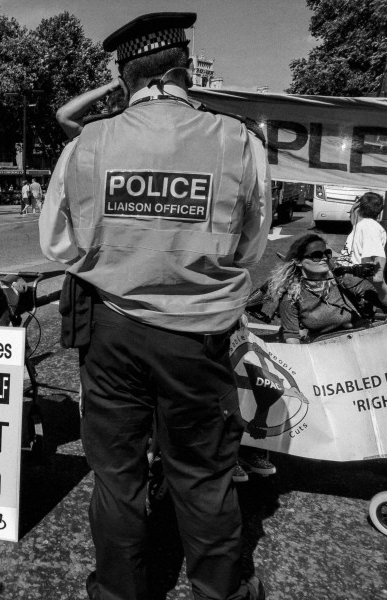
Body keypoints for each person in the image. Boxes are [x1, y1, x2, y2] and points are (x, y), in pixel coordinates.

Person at [39, 13, 270, 600]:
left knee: (116, 475)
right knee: (203, 472)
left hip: (112, 332)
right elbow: (252, 244)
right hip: (197, 336)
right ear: (182, 70)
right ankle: (220, 589)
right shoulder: (236, 139)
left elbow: (57, 243)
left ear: (126, 76)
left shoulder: (92, 141)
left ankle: (119, 590)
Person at [263, 233, 387, 343]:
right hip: (325, 351)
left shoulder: (344, 280)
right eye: (316, 255)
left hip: (363, 341)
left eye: (327, 254)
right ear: (299, 262)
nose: (324, 258)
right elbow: (292, 338)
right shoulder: (291, 297)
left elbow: (384, 303)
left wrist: (379, 284)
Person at [56, 78, 130, 140]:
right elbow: (62, 116)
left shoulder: (101, 132)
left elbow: (63, 116)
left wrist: (110, 86)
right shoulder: (134, 122)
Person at [336, 191, 386, 281]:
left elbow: (377, 256)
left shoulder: (368, 226)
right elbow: (378, 256)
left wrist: (382, 290)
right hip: (352, 276)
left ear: (358, 206)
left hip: (351, 277)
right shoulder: (365, 226)